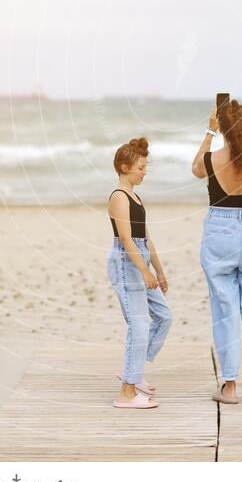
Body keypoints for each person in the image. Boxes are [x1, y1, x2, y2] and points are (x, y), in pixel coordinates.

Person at [192, 99, 242, 404]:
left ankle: (229, 387)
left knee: (224, 310)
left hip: (219, 233)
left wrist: (209, 131)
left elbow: (195, 168)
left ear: (223, 127)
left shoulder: (213, 159)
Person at [107, 136, 172, 409]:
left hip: (141, 258)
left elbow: (145, 237)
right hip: (127, 263)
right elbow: (126, 239)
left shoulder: (136, 196)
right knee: (140, 324)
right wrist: (144, 271)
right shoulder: (119, 197)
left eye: (145, 167)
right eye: (140, 168)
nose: (144, 173)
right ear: (124, 167)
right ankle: (127, 393)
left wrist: (158, 270)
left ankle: (132, 372)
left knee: (164, 316)